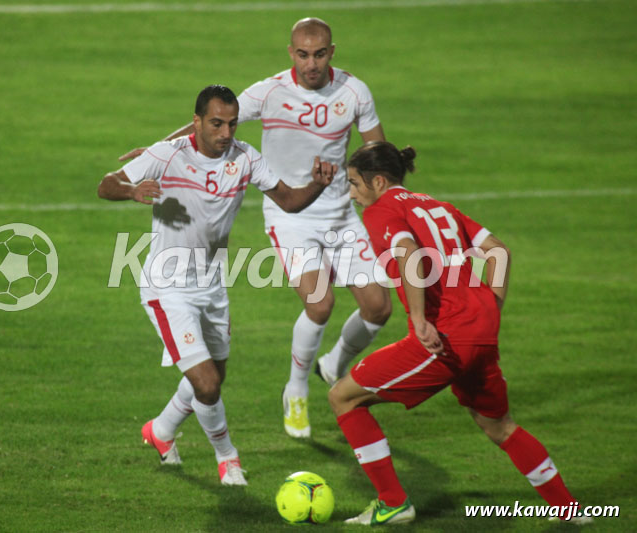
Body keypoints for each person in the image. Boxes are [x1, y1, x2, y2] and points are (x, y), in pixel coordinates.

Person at [120, 17, 392, 439]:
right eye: (303, 54)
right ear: (291, 53)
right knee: (320, 303)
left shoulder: (354, 92)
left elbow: (376, 151)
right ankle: (296, 390)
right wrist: (163, 147)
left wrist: (390, 193)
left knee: (378, 307)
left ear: (332, 53)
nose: (312, 63)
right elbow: (208, 125)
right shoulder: (269, 92)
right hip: (291, 214)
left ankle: (334, 363)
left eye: (320, 54)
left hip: (339, 212)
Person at [328, 141, 589, 525]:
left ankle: (393, 502)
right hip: (480, 331)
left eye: (354, 183)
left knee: (344, 397)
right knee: (499, 425)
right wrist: (490, 309)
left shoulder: (382, 210)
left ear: (378, 181)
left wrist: (419, 319)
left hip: (445, 337)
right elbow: (498, 251)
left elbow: (409, 254)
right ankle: (568, 510)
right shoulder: (439, 206)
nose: (352, 194)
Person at [98, 85, 337, 485]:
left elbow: (289, 201)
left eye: (231, 123)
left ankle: (161, 430)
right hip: (167, 288)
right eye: (216, 124)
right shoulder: (167, 154)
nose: (226, 133)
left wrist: (318, 184)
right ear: (196, 122)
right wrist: (131, 190)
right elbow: (106, 184)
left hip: (211, 286)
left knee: (213, 377)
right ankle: (228, 457)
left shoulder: (244, 158)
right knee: (207, 384)